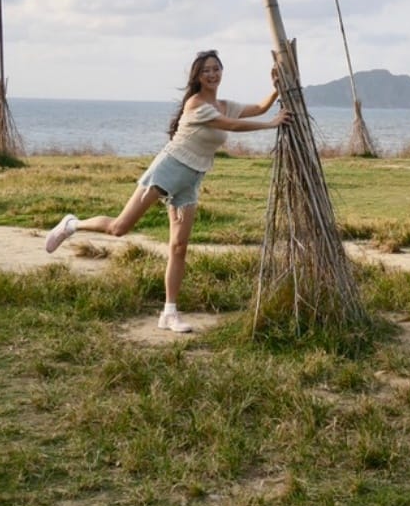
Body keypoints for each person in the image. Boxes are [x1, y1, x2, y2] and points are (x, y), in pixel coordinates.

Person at [44, 49, 289, 332]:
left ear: (222, 72)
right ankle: (71, 224)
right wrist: (271, 124)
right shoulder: (196, 104)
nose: (212, 74)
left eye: (216, 69)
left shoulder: (224, 104)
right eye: (206, 70)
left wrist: (274, 92)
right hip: (169, 167)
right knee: (119, 228)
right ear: (197, 76)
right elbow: (232, 125)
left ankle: (169, 313)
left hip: (192, 177)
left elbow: (257, 108)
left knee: (179, 246)